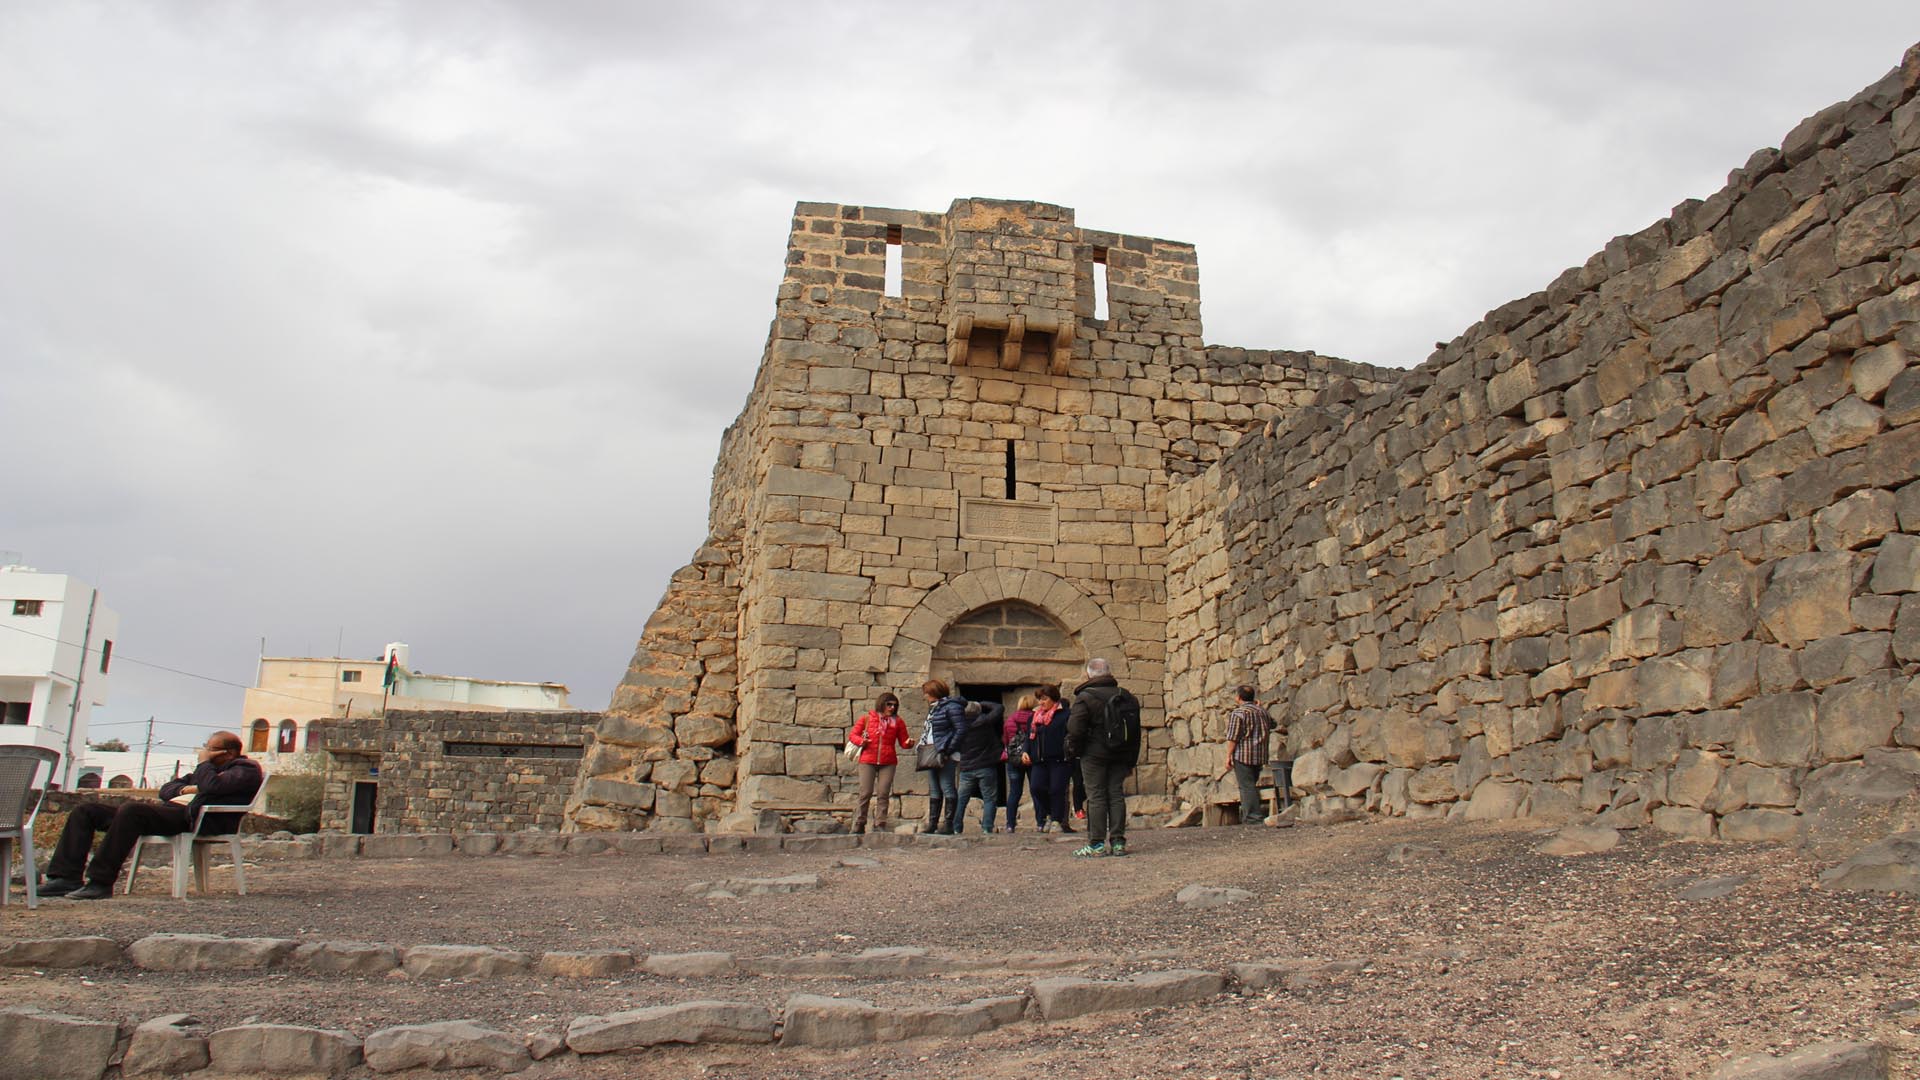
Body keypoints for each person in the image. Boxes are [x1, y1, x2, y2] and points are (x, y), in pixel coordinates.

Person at [40, 730, 263, 900]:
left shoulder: (245, 769)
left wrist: (204, 765)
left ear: (228, 752)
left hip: (196, 819)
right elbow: (166, 789)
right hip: (170, 812)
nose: (205, 752)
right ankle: (65, 878)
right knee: (86, 811)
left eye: (211, 749)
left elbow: (212, 786)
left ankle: (100, 882)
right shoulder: (207, 771)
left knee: (132, 810)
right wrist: (188, 788)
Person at [1064, 658, 1141, 857]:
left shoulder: (1085, 697)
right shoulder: (1127, 696)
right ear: (1109, 672)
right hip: (1121, 753)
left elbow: (1075, 728)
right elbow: (1135, 732)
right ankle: (1118, 842)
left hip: (1094, 753)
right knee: (1116, 795)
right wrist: (1131, 759)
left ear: (1089, 674)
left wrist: (1074, 751)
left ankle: (1096, 844)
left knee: (1096, 795)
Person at [848, 692, 912, 834]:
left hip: (888, 761)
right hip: (868, 759)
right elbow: (853, 735)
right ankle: (860, 822)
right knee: (865, 792)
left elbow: (903, 742)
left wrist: (909, 743)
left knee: (883, 793)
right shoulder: (867, 718)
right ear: (882, 704)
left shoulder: (898, 722)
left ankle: (880, 823)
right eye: (889, 704)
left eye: (894, 705)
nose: (892, 708)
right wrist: (861, 741)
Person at [1024, 683, 1075, 833]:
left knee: (1056, 790)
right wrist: (1026, 751)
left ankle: (1057, 820)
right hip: (1039, 760)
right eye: (1039, 699)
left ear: (1053, 699)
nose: (1041, 702)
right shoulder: (1034, 717)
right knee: (1036, 788)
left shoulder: (1065, 715)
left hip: (1059, 759)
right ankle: (1049, 813)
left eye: (1044, 699)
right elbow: (1029, 736)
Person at [950, 698, 1006, 834]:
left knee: (961, 800)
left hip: (966, 767)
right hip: (986, 765)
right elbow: (999, 707)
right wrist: (982, 703)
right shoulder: (985, 721)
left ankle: (956, 828)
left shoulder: (959, 726)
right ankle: (987, 828)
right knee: (989, 798)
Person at [921, 680, 966, 834]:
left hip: (945, 752)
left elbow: (960, 729)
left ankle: (948, 824)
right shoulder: (934, 708)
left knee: (947, 786)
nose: (925, 696)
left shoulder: (952, 707)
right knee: (934, 788)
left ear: (935, 692)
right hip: (932, 751)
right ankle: (933, 823)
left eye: (927, 692)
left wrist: (948, 750)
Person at [1224, 685, 1273, 825]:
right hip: (1260, 754)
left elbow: (1233, 737)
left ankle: (1253, 817)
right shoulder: (1262, 712)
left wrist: (1228, 756)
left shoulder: (1238, 713)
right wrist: (1260, 707)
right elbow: (1273, 724)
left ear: (1238, 697)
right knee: (1251, 784)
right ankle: (1250, 815)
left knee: (1246, 786)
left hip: (1243, 754)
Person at [1000, 694, 1035, 833]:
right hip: (1032, 757)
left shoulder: (1010, 720)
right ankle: (1041, 822)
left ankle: (1010, 824)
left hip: (1014, 759)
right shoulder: (1036, 718)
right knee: (1036, 790)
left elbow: (1005, 740)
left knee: (1014, 792)